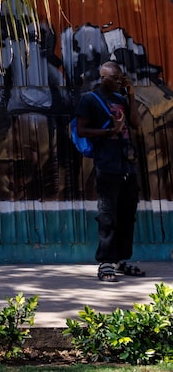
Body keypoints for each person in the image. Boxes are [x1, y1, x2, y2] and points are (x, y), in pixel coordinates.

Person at [76, 60, 144, 283]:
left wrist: (131, 95)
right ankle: (105, 262)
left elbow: (135, 124)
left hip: (127, 163)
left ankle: (121, 260)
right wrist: (109, 132)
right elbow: (82, 129)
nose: (118, 81)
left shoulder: (120, 98)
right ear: (103, 77)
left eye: (120, 78)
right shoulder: (90, 99)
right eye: (115, 78)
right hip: (107, 165)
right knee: (108, 215)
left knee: (127, 214)